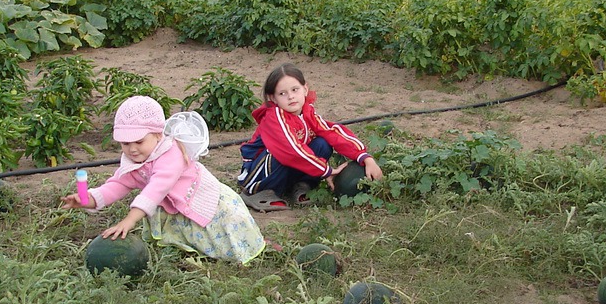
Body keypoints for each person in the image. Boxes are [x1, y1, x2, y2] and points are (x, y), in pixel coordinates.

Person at [62, 96, 267, 264]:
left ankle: (235, 257)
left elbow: (157, 189)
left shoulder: (171, 154)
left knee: (221, 237)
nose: (132, 149)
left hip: (204, 201)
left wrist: (129, 220)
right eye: (125, 143)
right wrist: (88, 199)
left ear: (158, 135)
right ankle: (188, 254)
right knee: (186, 236)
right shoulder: (134, 160)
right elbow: (117, 184)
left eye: (139, 141)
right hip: (175, 204)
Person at [238, 63, 384, 211]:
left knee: (322, 143)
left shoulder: (307, 112)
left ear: (305, 89)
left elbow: (331, 131)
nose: (290, 96)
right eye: (282, 93)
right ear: (273, 98)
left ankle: (300, 185)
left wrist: (364, 157)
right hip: (257, 173)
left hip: (287, 166)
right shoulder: (274, 117)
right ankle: (260, 192)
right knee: (279, 151)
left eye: (295, 89)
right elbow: (291, 151)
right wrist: (326, 170)